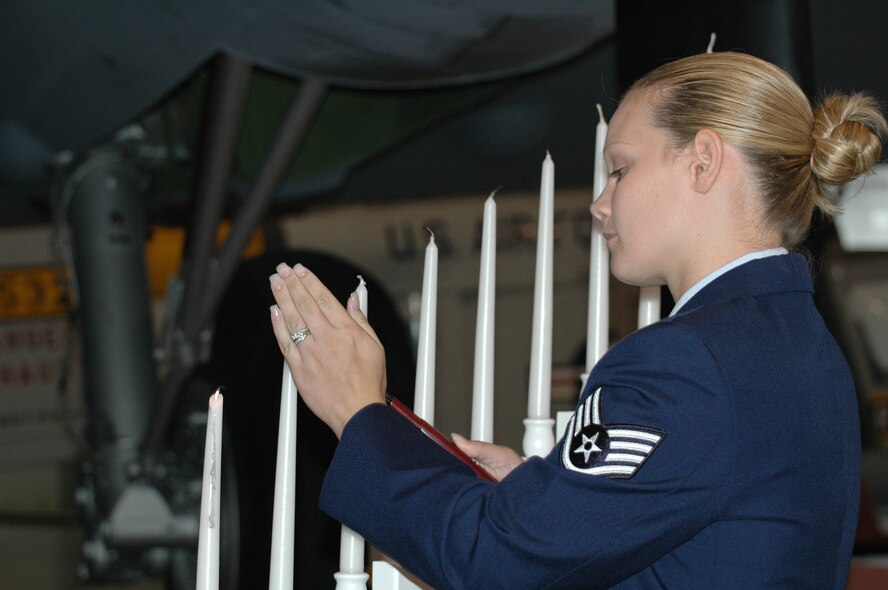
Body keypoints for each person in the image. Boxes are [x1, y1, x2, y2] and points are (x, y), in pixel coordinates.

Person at [268, 51, 886, 589]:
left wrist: (357, 413)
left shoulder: (685, 363)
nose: (600, 201)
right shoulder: (806, 346)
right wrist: (551, 495)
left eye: (620, 168)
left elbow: (498, 563)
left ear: (702, 161)